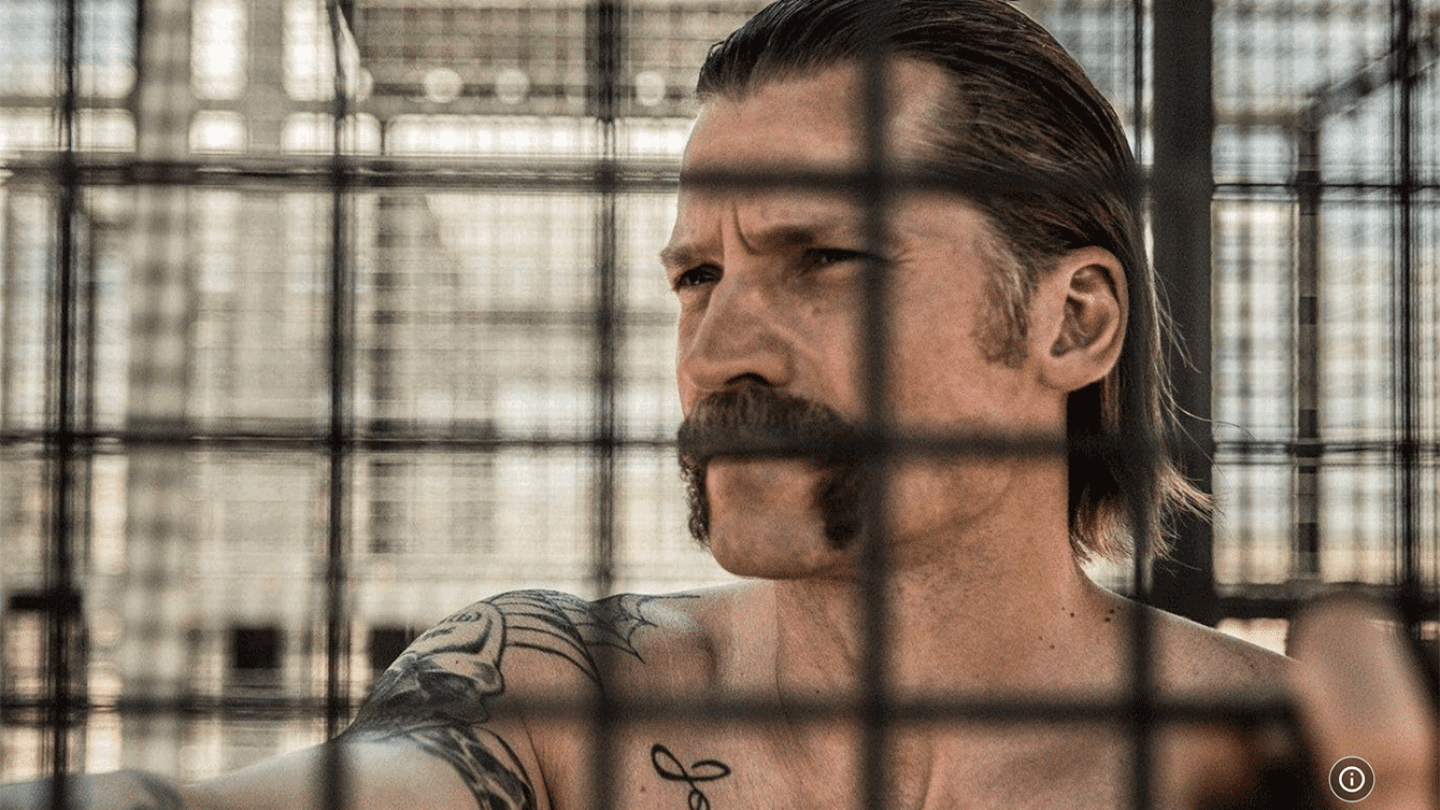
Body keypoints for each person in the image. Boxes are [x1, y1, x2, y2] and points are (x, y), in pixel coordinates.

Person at [2, 1, 1434, 809]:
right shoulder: (559, 698)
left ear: (1072, 322)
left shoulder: (1292, 763)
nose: (720, 343)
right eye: (697, 277)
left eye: (823, 259)